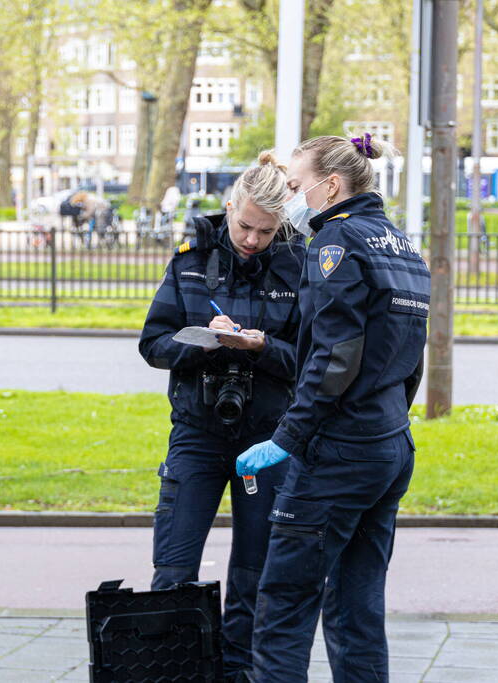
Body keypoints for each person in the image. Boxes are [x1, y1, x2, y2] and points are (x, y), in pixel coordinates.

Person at [236, 133, 431, 682]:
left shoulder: (336, 245)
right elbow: (410, 358)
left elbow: (334, 357)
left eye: (296, 187)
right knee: (356, 606)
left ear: (331, 186)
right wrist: (386, 417)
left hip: (337, 454)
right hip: (389, 444)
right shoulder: (401, 246)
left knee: (283, 608)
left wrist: (287, 438)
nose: (290, 198)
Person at [139, 151, 306, 681]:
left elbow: (310, 359)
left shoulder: (298, 264)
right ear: (230, 206)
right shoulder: (190, 259)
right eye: (244, 225)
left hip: (266, 437)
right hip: (198, 432)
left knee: (255, 572)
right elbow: (152, 344)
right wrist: (204, 345)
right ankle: (176, 669)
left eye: (265, 230)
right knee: (174, 566)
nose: (252, 239)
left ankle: (239, 674)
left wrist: (261, 348)